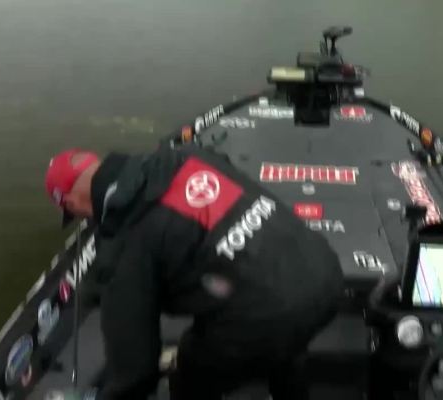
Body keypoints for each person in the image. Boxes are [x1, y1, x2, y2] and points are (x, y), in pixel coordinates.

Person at [45, 145, 344, 399]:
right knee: (281, 317)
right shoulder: (187, 155)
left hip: (272, 314)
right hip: (324, 272)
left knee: (191, 371)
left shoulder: (122, 247)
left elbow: (135, 372)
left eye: (74, 213)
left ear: (71, 202)